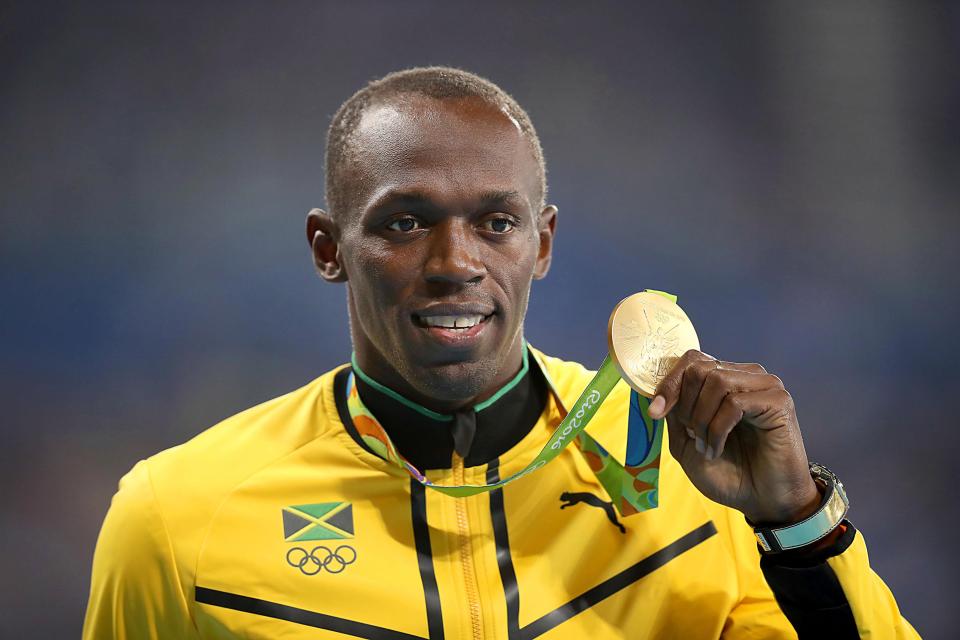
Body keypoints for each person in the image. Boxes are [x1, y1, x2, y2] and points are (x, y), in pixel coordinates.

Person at [83, 66, 918, 639]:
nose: (455, 262)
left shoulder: (692, 472)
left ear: (541, 244)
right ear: (328, 248)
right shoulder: (178, 518)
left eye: (496, 222)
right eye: (405, 222)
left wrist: (795, 520)